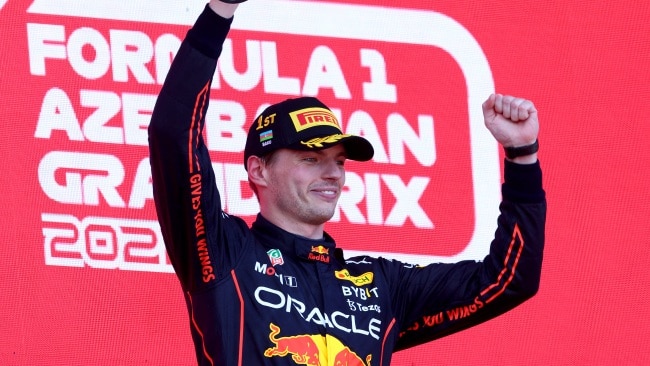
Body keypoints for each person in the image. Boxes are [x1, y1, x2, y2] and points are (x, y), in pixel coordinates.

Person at [148, 1, 546, 365]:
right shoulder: (226, 252)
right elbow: (172, 133)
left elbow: (507, 280)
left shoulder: (381, 286)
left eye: (338, 161)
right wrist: (220, 11)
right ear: (258, 170)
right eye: (310, 159)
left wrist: (522, 156)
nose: (333, 173)